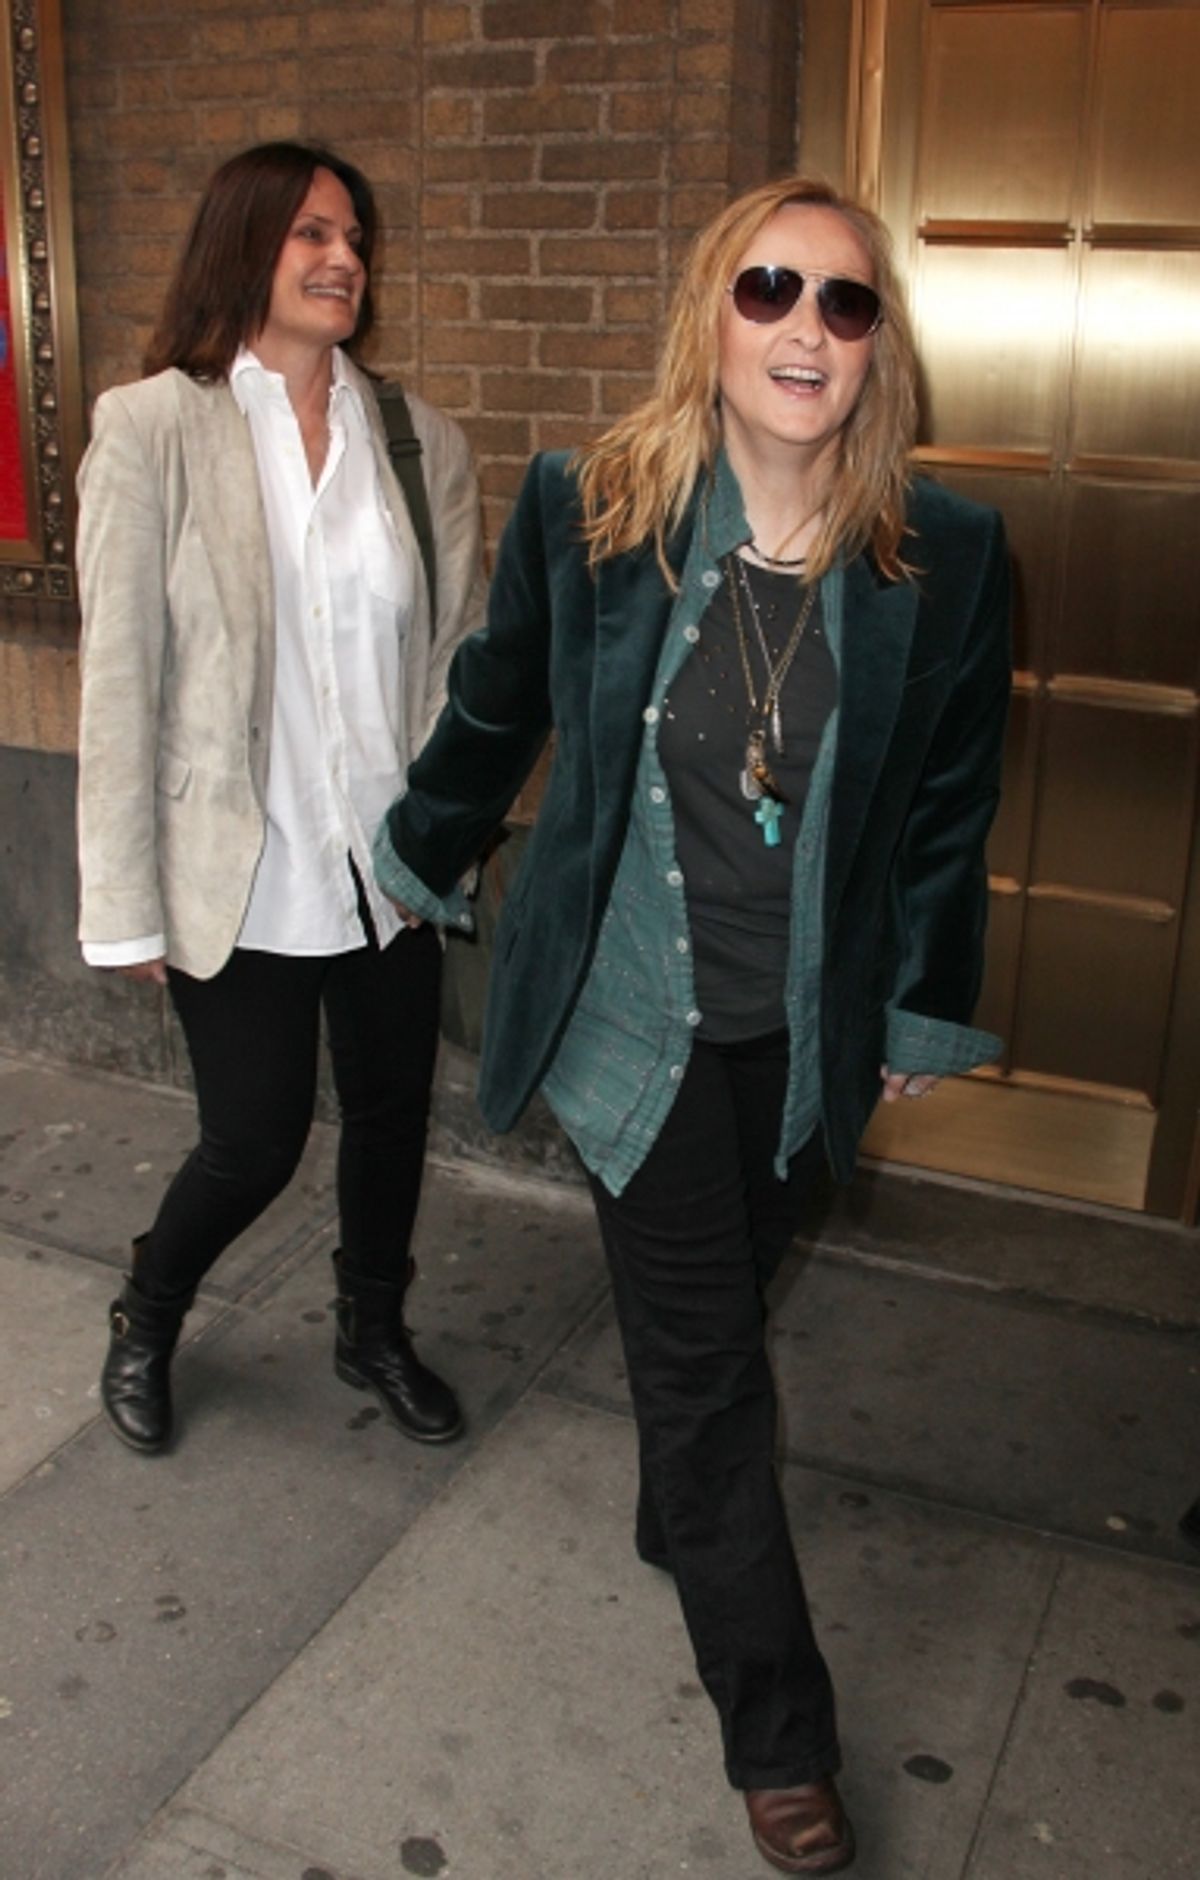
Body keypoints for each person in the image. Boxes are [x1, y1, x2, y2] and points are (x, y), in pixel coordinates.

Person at [374, 174, 1011, 1874]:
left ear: (878, 350)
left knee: (720, 1322)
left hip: (798, 1034)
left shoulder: (942, 554)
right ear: (712, 316)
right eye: (772, 289)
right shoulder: (601, 504)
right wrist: (419, 847)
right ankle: (780, 1733)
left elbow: (949, 803)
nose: (808, 327)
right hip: (632, 1013)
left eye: (847, 304)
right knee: (714, 1374)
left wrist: (919, 1007)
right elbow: (503, 691)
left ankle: (681, 1506)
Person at [76, 142, 486, 1458]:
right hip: (240, 866)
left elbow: (451, 672)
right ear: (244, 245)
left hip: (388, 864)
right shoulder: (154, 429)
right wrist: (122, 903)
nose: (343, 260)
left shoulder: (422, 445)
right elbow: (121, 684)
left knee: (390, 1122)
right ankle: (149, 1308)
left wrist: (439, 849)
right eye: (313, 232)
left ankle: (373, 1330)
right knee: (251, 1143)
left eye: (356, 237)